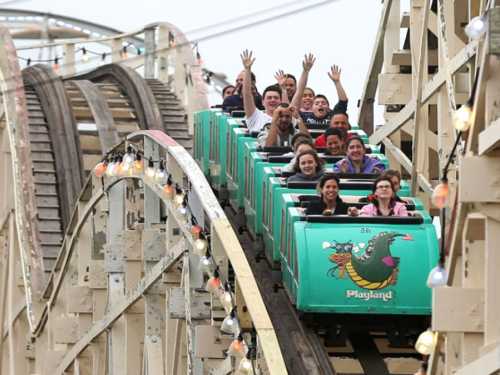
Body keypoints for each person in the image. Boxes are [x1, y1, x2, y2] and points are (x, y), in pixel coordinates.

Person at [241, 50, 315, 133]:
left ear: (280, 101)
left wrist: (305, 71)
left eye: (276, 98)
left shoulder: (287, 116)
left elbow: (299, 92)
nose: (272, 100)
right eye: (269, 98)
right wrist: (247, 70)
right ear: (262, 101)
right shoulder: (255, 116)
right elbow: (247, 94)